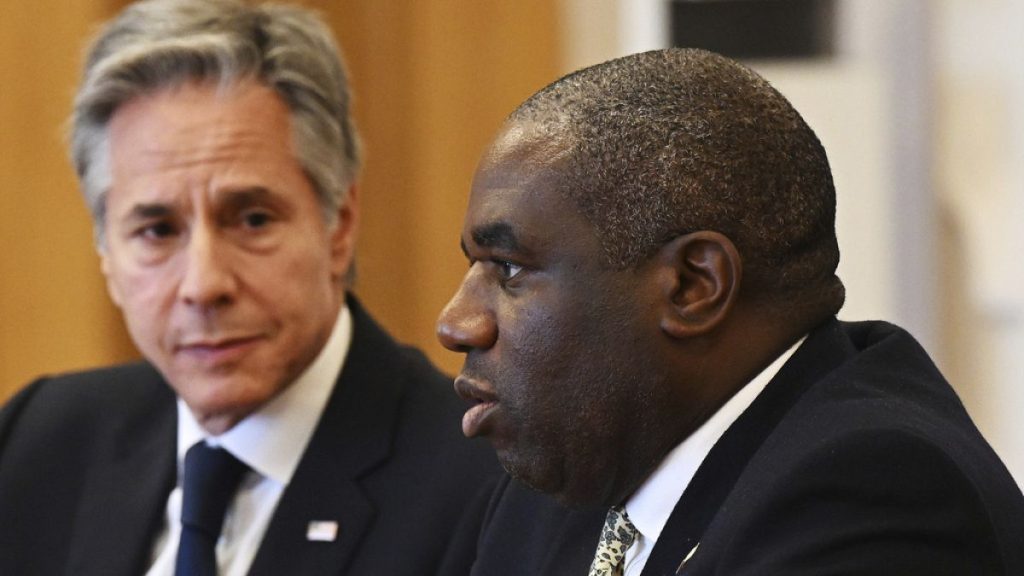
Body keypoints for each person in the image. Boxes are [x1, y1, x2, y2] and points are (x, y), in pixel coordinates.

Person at [436, 48, 1024, 575]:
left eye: (508, 268)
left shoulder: (876, 489)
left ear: (694, 286)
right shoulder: (566, 477)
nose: (456, 322)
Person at [0, 1, 497, 574]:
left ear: (339, 223)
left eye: (253, 219)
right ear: (106, 252)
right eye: (157, 230)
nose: (204, 284)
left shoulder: (479, 489)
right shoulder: (42, 444)